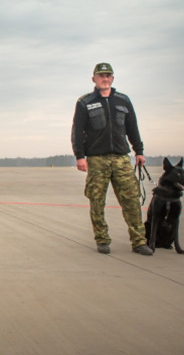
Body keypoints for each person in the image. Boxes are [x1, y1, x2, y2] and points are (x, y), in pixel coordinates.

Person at [71, 62, 153, 256]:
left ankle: (139, 241)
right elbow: (77, 131)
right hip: (97, 159)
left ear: (112, 79)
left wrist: (138, 151)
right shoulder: (85, 102)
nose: (105, 79)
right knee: (97, 200)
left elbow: (132, 128)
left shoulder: (123, 101)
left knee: (132, 200)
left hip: (121, 159)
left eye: (108, 75)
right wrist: (80, 156)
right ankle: (102, 239)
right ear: (94, 79)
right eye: (101, 76)